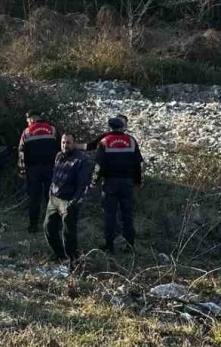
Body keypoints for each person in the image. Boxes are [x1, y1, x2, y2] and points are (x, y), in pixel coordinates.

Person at [94, 116, 144, 253]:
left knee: (110, 215)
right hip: (127, 183)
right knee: (127, 215)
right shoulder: (131, 141)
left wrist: (94, 182)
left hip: (110, 183)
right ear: (122, 128)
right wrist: (139, 181)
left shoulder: (104, 142)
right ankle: (130, 246)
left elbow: (98, 166)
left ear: (110, 128)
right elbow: (139, 164)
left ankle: (109, 246)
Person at [44, 133, 92, 264]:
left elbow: (82, 184)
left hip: (68, 200)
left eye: (68, 143)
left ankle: (73, 261)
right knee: (48, 228)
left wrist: (74, 201)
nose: (65, 145)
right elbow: (55, 175)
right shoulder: (59, 156)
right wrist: (50, 193)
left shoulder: (80, 160)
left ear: (74, 143)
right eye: (63, 142)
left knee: (68, 234)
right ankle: (60, 256)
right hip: (54, 199)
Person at [18, 111, 59, 233]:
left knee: (34, 198)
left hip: (34, 170)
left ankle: (33, 226)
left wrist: (22, 170)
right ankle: (53, 226)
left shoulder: (26, 132)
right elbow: (60, 149)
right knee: (51, 197)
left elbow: (21, 153)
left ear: (30, 119)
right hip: (51, 169)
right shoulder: (52, 129)